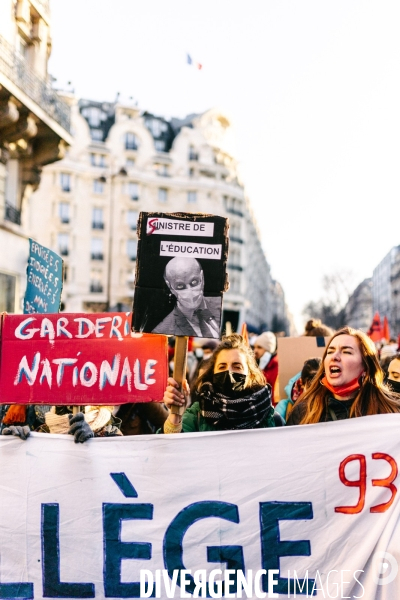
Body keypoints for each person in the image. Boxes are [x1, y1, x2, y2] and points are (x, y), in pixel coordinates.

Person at [161, 334, 283, 433]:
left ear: (250, 374)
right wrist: (175, 416)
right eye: (222, 366)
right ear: (213, 373)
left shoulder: (271, 419)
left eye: (237, 366)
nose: (229, 372)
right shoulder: (197, 414)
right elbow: (170, 451)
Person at [287, 327, 400, 425]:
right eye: (330, 352)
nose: (334, 357)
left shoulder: (390, 411)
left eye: (346, 352)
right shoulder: (303, 413)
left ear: (366, 367)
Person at [152, 257, 221, 338]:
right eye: (180, 286)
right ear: (170, 287)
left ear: (202, 278)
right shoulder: (163, 331)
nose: (190, 292)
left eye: (194, 282)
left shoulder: (220, 305)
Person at [275, 357, 321, 422]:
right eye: (311, 386)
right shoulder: (283, 408)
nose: (316, 391)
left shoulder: (333, 402)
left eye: (321, 386)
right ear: (301, 383)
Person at [253, 332, 279, 405]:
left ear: (268, 350)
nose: (255, 350)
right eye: (254, 347)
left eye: (259, 347)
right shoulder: (260, 363)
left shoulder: (276, 366)